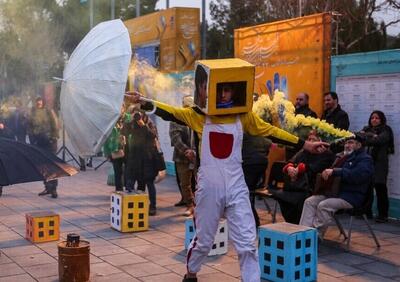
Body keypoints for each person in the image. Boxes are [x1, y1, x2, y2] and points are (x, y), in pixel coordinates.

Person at [130, 62, 328, 282]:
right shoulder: (198, 115)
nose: (223, 94)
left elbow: (270, 132)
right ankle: (191, 273)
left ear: (234, 90)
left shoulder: (243, 116)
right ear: (206, 88)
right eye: (218, 88)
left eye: (227, 89)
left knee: (247, 243)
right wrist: (143, 102)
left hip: (236, 187)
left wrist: (304, 144)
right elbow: (171, 113)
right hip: (208, 188)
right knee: (204, 241)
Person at [299, 134, 374, 239]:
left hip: (351, 196)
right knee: (310, 201)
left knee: (324, 205)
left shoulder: (365, 159)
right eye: (346, 143)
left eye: (351, 143)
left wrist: (336, 171)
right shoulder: (342, 157)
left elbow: (357, 176)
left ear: (359, 145)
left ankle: (315, 236)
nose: (347, 145)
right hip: (336, 192)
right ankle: (303, 234)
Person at [273, 131, 334, 224]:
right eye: (309, 139)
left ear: (320, 141)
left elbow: (315, 168)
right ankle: (292, 223)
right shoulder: (303, 151)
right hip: (296, 185)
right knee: (282, 197)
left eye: (313, 139)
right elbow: (291, 161)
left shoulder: (326, 154)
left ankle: (297, 224)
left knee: (297, 200)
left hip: (310, 186)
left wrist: (300, 168)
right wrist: (290, 168)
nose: (310, 142)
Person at [361, 110, 394, 223]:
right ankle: (366, 212)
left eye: (377, 118)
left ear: (382, 119)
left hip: (380, 163)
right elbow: (359, 137)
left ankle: (383, 215)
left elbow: (380, 140)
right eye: (372, 118)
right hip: (367, 162)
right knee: (366, 188)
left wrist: (369, 137)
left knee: (380, 188)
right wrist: (371, 135)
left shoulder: (386, 129)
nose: (374, 120)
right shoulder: (366, 128)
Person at [124, 111, 159, 216]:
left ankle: (152, 206)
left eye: (139, 115)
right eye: (136, 115)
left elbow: (153, 135)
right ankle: (140, 206)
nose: (138, 117)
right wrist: (129, 121)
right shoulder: (132, 124)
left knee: (149, 183)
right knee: (140, 184)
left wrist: (143, 125)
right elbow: (124, 132)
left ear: (144, 116)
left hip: (148, 159)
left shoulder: (149, 123)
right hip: (136, 159)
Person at [169, 96, 197, 216]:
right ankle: (190, 205)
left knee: (201, 182)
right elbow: (175, 138)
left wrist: (195, 152)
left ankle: (200, 205)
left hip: (198, 156)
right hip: (182, 158)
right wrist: (187, 151)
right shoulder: (176, 118)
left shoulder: (197, 118)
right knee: (185, 184)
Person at [28, 96, 59, 198]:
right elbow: (30, 128)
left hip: (50, 142)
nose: (38, 103)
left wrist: (53, 138)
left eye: (40, 101)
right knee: (43, 166)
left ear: (43, 102)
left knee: (52, 166)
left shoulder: (49, 111)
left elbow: (55, 124)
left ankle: (53, 189)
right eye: (37, 101)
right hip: (39, 143)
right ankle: (47, 187)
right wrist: (33, 142)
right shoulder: (32, 113)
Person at [242, 134, 271, 227]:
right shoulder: (257, 132)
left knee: (245, 195)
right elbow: (268, 143)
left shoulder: (244, 130)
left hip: (248, 163)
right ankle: (253, 223)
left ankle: (253, 223)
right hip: (259, 163)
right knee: (248, 194)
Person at [103, 114, 127, 192]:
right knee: (118, 172)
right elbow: (105, 141)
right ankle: (119, 190)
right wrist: (106, 153)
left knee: (126, 171)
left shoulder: (123, 122)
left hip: (125, 151)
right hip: (115, 152)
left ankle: (127, 189)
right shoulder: (110, 127)